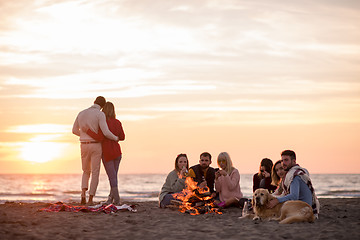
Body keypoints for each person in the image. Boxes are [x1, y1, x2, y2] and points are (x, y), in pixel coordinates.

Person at [72, 96, 119, 205]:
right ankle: (90, 199)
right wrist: (115, 138)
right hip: (96, 145)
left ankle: (83, 194)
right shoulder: (100, 114)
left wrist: (83, 134)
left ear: (94, 102)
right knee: (95, 172)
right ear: (102, 106)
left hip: (83, 144)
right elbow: (106, 132)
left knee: (85, 171)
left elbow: (74, 130)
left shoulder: (81, 113)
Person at [85, 101, 125, 205]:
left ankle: (117, 200)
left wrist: (88, 131)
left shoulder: (103, 123)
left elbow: (100, 137)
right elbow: (123, 137)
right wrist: (115, 137)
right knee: (114, 176)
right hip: (117, 152)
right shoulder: (117, 122)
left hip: (107, 152)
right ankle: (110, 199)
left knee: (112, 177)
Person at [267, 150, 320, 218]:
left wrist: (277, 201)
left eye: (286, 160)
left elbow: (294, 196)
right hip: (305, 208)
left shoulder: (294, 176)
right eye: (282, 160)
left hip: (302, 210)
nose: (283, 163)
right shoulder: (297, 172)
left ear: (294, 161)